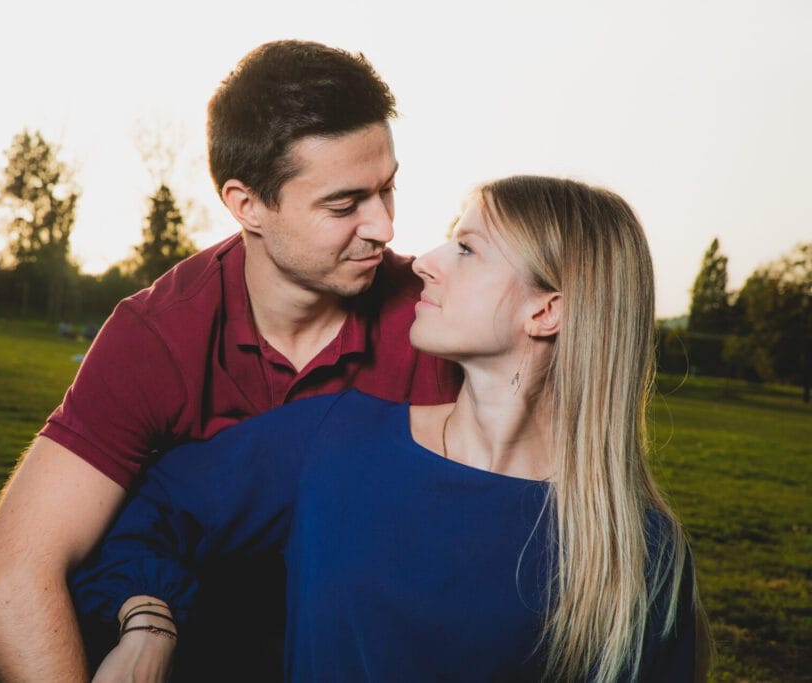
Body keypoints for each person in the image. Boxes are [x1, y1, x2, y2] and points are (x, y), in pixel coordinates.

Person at [73, 176, 712, 682]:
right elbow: (144, 518)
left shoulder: (639, 551)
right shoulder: (332, 439)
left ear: (546, 311)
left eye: (467, 250)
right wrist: (150, 621)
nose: (425, 262)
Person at [0, 40, 460, 681]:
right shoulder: (156, 337)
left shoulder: (442, 320)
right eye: (344, 205)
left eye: (387, 189)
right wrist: (146, 619)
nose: (384, 226)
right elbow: (10, 580)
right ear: (247, 204)